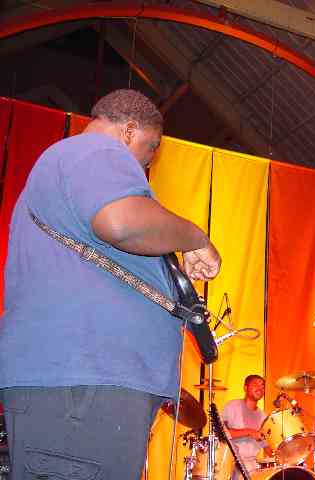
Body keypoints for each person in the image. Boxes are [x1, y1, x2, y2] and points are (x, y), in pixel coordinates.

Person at [0, 89, 221, 479]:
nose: (147, 164)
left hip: (80, 387)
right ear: (129, 131)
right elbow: (121, 223)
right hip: (84, 387)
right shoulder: (97, 150)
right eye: (150, 149)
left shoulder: (69, 164)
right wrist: (196, 237)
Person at [222, 374, 271, 476]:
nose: (260, 388)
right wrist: (249, 432)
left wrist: (281, 458)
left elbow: (266, 446)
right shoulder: (232, 406)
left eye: (262, 386)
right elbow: (222, 433)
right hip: (231, 461)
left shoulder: (264, 417)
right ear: (245, 387)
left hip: (253, 464)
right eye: (255, 384)